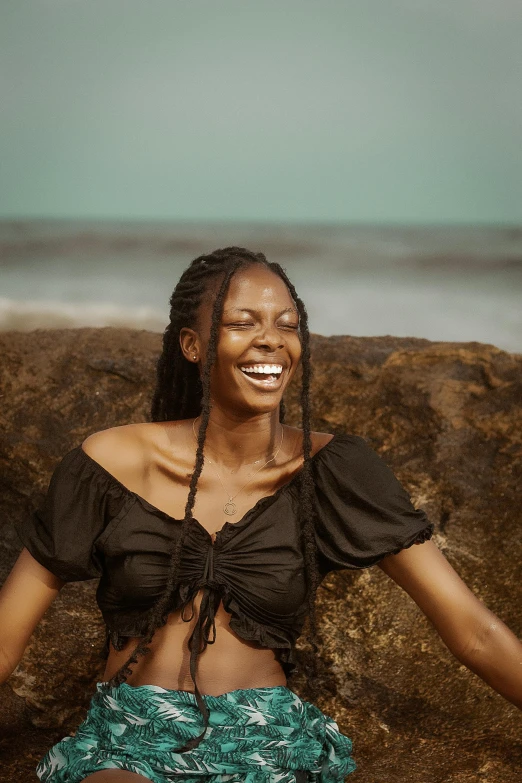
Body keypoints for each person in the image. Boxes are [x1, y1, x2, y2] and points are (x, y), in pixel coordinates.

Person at [1, 246, 521, 783]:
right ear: (193, 345)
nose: (271, 338)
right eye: (242, 322)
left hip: (266, 738)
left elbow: (473, 631)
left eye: (287, 324)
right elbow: (5, 637)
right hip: (130, 738)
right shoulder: (109, 463)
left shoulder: (334, 470)